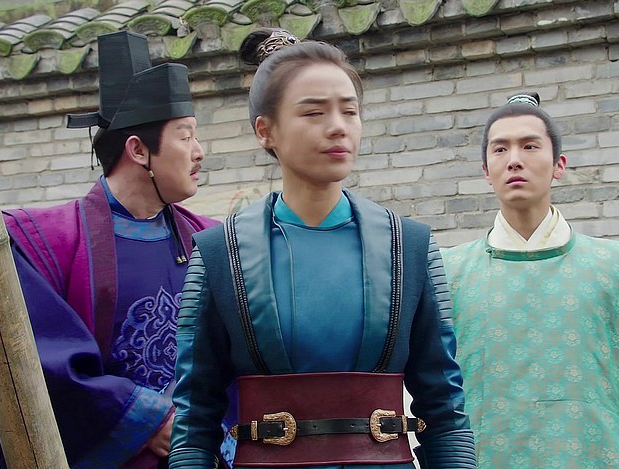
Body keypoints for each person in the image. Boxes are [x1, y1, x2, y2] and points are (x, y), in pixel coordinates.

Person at [168, 28, 477, 469]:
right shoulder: (221, 254)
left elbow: (444, 411)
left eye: (349, 111)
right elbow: (195, 423)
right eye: (314, 112)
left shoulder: (409, 248)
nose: (338, 126)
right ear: (265, 131)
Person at [0, 31, 232, 468]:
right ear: (138, 150)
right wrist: (149, 419)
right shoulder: (43, 242)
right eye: (185, 137)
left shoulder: (213, 241)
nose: (199, 152)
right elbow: (34, 363)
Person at [441, 92, 619, 468]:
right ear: (485, 170)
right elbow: (429, 400)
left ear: (559, 165)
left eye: (530, 146)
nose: (514, 160)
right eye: (500, 149)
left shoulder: (611, 270)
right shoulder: (449, 275)